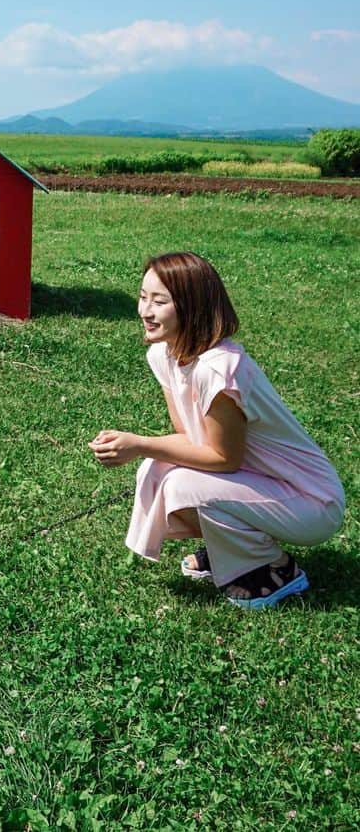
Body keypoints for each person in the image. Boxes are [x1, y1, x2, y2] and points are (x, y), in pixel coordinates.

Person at [89, 251, 345, 609]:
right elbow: (192, 440)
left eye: (159, 301)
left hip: (311, 501)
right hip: (264, 481)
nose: (144, 311)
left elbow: (223, 459)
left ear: (192, 308)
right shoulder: (163, 354)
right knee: (157, 468)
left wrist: (141, 444)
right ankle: (229, 551)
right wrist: (142, 451)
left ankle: (274, 571)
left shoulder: (218, 369)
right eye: (143, 296)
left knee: (180, 482)